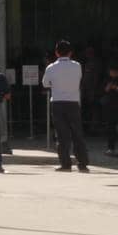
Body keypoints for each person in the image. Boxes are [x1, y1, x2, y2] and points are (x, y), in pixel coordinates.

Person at [45, 40, 90, 172]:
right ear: (71, 52)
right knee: (77, 133)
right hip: (73, 102)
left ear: (56, 52)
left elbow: (45, 84)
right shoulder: (77, 66)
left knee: (62, 134)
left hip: (57, 102)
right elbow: (79, 79)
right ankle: (82, 162)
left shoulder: (51, 67)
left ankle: (65, 163)